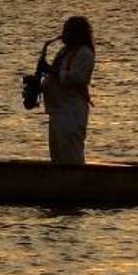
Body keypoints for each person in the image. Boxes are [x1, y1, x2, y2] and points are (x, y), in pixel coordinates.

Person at [41, 15, 95, 164]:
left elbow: (78, 78)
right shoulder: (65, 51)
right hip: (58, 110)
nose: (63, 34)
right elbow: (54, 74)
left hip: (71, 111)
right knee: (57, 156)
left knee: (71, 155)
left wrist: (52, 72)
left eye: (67, 31)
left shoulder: (85, 53)